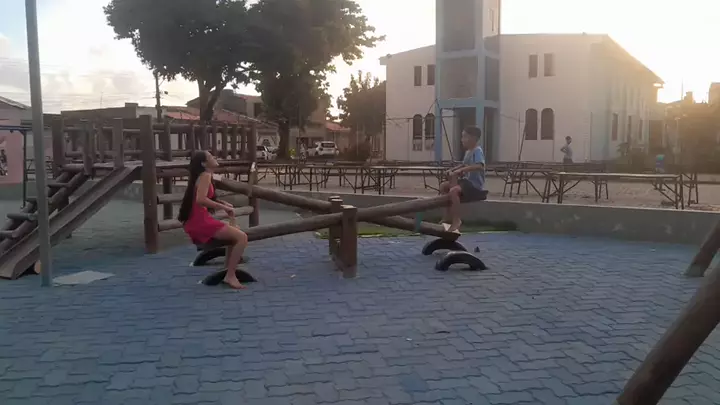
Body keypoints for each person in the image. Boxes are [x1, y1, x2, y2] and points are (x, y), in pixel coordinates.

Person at [178, 151, 249, 289]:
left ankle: (227, 271)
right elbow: (200, 200)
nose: (214, 157)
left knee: (235, 235)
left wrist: (223, 203)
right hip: (200, 222)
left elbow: (204, 197)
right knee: (242, 238)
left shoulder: (204, 176)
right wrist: (223, 207)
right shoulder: (205, 175)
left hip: (198, 221)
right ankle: (230, 275)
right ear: (204, 164)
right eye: (210, 157)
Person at [439, 126, 486, 232]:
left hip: (474, 185)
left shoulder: (477, 151)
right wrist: (453, 169)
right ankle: (447, 215)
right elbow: (463, 164)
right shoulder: (468, 152)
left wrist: (461, 170)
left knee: (454, 190)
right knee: (443, 186)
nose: (462, 140)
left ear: (473, 138)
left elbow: (480, 166)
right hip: (466, 182)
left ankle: (457, 220)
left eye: (465, 137)